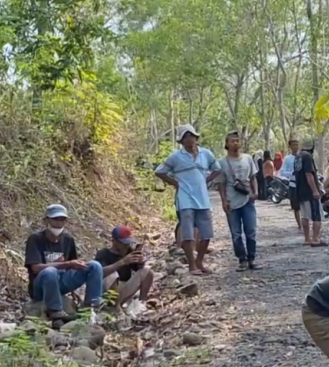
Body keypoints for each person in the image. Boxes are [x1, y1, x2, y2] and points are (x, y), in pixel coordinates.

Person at [155, 124, 220, 276]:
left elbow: (217, 168)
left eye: (191, 136)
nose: (189, 139)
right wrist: (175, 183)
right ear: (181, 140)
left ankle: (200, 262)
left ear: (196, 138)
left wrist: (206, 180)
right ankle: (192, 265)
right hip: (185, 200)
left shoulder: (206, 154)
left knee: (206, 234)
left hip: (203, 199)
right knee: (188, 234)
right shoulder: (176, 157)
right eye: (186, 136)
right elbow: (159, 171)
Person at [25, 204, 104, 327]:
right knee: (50, 271)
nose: (58, 223)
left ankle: (90, 308)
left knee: (95, 266)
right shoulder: (35, 239)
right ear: (46, 220)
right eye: (55, 219)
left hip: (61, 281)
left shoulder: (68, 239)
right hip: (41, 285)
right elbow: (35, 267)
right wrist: (65, 264)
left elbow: (73, 265)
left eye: (62, 219)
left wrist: (73, 289)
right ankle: (55, 311)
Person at [218, 131, 260, 271]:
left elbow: (253, 177)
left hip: (247, 199)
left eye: (237, 140)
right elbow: (221, 184)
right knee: (236, 233)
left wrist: (255, 192)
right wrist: (224, 200)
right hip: (232, 201)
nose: (235, 143)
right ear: (227, 144)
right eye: (232, 141)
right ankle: (242, 259)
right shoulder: (222, 163)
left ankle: (252, 259)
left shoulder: (248, 158)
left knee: (251, 230)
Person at [95, 226, 154, 308]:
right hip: (107, 292)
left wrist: (140, 262)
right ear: (114, 241)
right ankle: (115, 308)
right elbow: (99, 273)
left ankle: (141, 305)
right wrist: (122, 262)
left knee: (148, 272)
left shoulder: (129, 251)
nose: (126, 246)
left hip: (124, 288)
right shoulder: (104, 254)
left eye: (128, 243)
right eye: (123, 243)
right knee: (113, 275)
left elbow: (139, 270)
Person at [295, 140, 324, 246]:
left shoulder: (298, 157)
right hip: (309, 191)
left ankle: (307, 238)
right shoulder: (307, 157)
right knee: (316, 215)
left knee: (305, 215)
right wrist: (315, 190)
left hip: (300, 191)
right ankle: (315, 238)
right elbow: (309, 174)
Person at [284, 138, 303, 231]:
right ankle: (299, 225)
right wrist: (291, 173)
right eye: (293, 144)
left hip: (303, 184)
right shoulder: (287, 159)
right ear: (290, 146)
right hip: (293, 184)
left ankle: (306, 223)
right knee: (296, 207)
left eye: (297, 144)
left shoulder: (303, 157)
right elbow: (283, 172)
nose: (295, 146)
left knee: (305, 205)